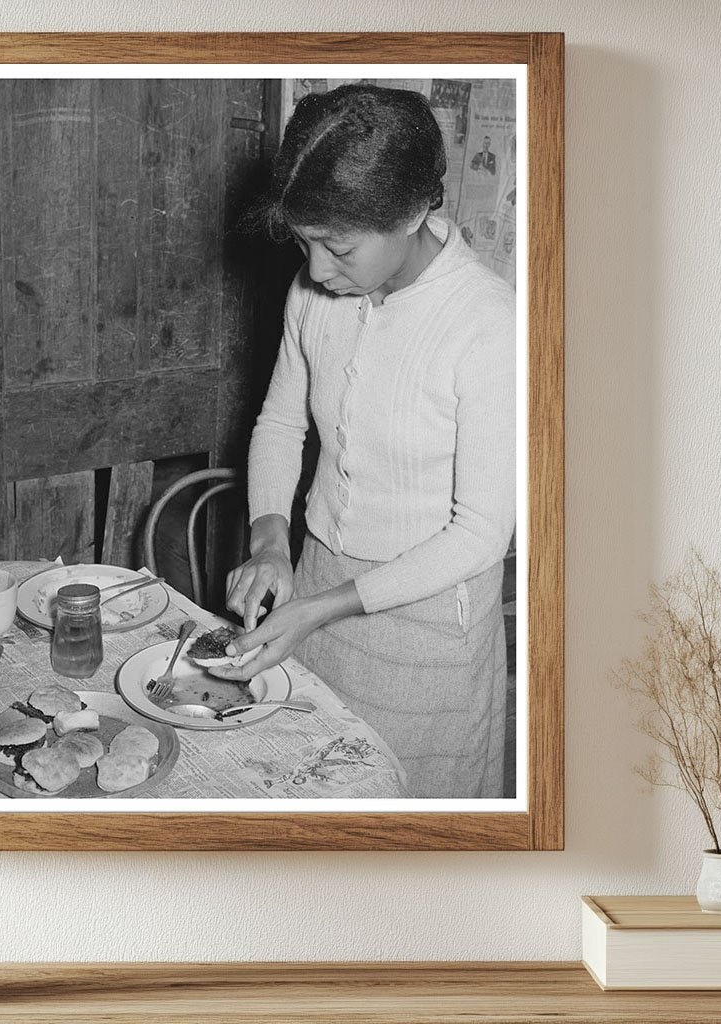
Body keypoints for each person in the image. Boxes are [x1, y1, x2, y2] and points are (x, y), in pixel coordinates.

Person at [214, 85, 516, 799]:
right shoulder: (315, 291)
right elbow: (282, 424)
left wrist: (320, 607)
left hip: (428, 630)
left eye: (339, 247)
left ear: (414, 213)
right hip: (314, 585)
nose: (316, 270)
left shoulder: (489, 325)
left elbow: (479, 534)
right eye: (304, 241)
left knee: (405, 828)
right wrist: (268, 543)